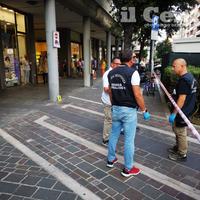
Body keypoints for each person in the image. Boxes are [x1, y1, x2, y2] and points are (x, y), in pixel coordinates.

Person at [107, 50, 150, 177]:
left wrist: (113, 104)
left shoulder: (111, 72)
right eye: (134, 57)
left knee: (113, 135)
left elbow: (110, 92)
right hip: (129, 111)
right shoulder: (133, 73)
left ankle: (110, 159)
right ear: (131, 59)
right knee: (129, 140)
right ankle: (128, 168)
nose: (135, 59)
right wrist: (144, 110)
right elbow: (137, 94)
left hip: (115, 108)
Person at [168, 58, 197, 161]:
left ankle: (182, 153)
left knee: (180, 131)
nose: (173, 68)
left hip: (182, 111)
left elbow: (181, 99)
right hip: (187, 109)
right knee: (177, 129)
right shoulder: (190, 77)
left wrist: (174, 113)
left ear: (182, 66)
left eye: (174, 66)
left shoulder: (184, 80)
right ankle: (178, 147)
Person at [101, 57, 121, 145]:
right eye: (116, 64)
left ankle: (113, 133)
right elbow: (106, 89)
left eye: (119, 64)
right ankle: (105, 139)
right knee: (108, 119)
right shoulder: (107, 74)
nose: (118, 66)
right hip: (108, 101)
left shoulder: (116, 73)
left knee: (113, 118)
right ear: (112, 64)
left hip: (115, 101)